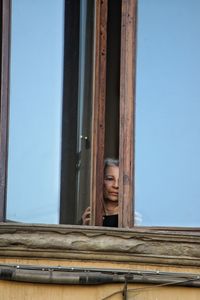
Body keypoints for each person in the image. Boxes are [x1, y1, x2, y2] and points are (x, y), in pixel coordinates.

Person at [82, 158, 119, 227]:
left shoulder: (132, 219)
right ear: (100, 181)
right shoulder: (90, 215)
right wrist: (85, 227)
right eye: (110, 179)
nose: (116, 185)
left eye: (122, 181)